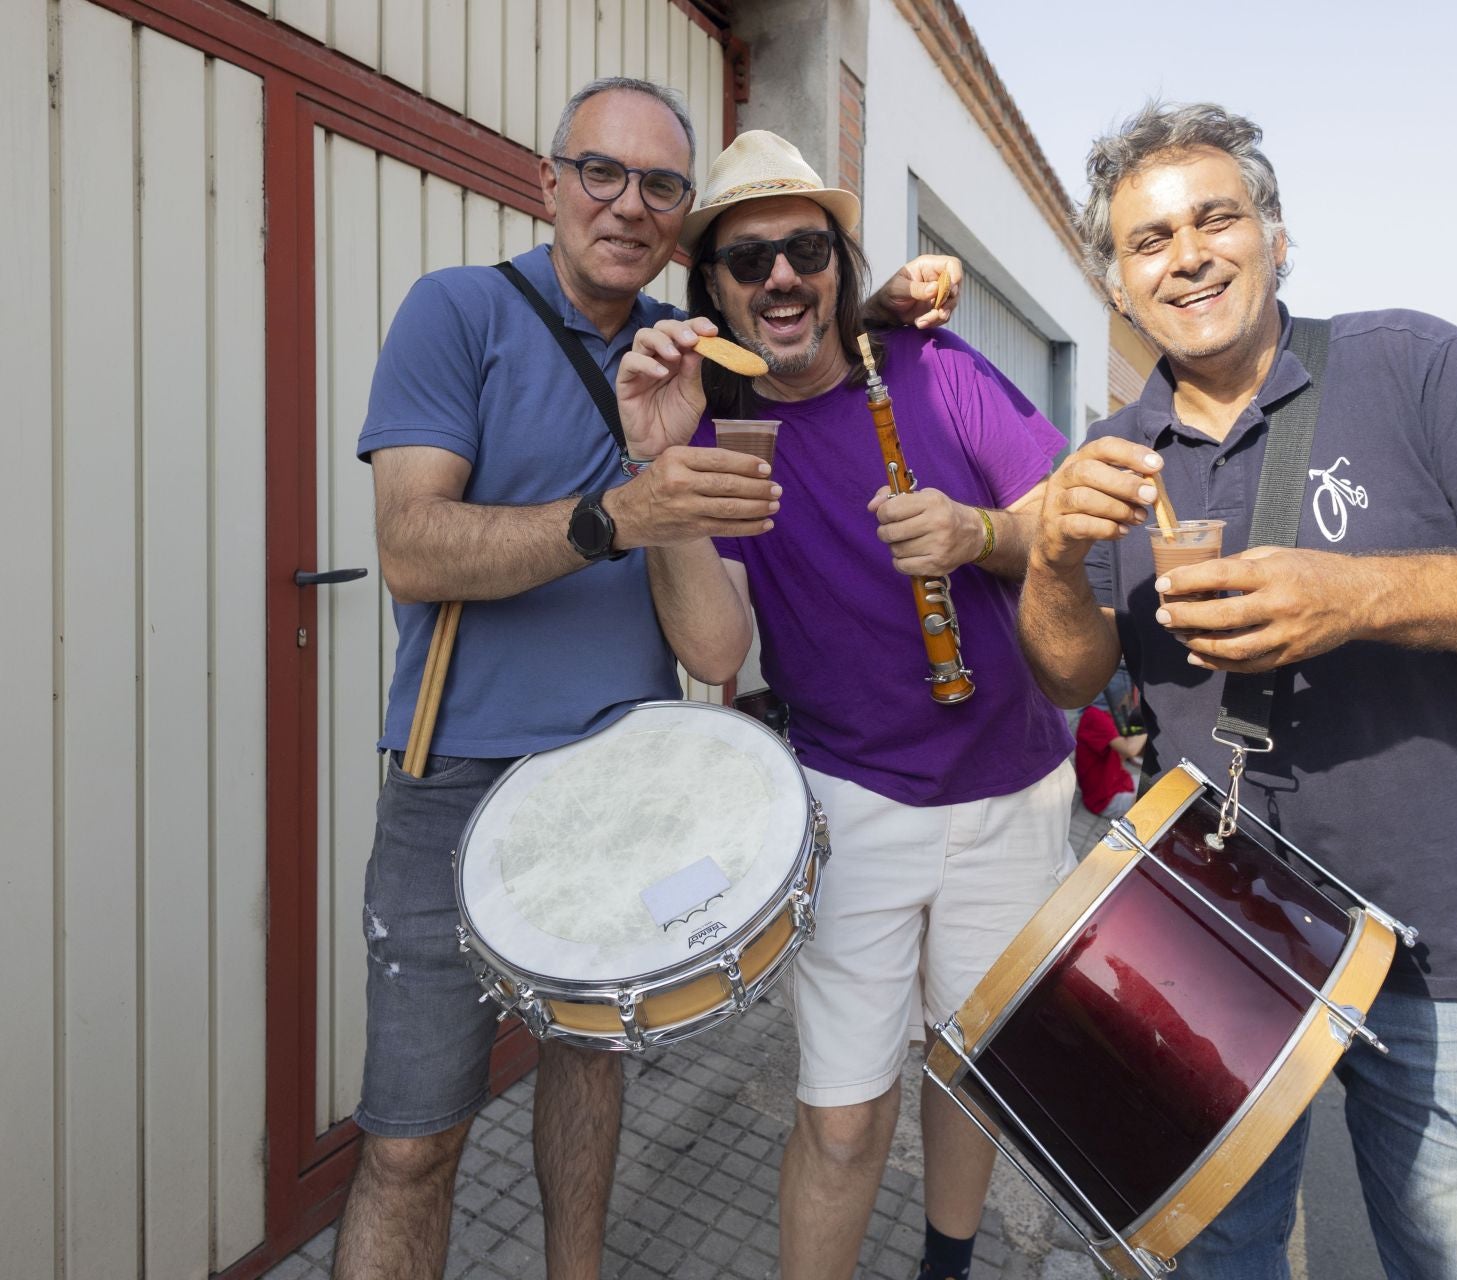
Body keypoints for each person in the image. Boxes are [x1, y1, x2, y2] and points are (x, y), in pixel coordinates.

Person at [337, 79, 961, 1280]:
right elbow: (412, 548)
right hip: (454, 772)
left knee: (589, 1078)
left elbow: (803, 345)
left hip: (627, 779)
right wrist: (619, 511)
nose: (628, 204)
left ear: (682, 224)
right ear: (549, 182)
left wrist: (884, 305)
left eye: (661, 185)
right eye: (601, 172)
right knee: (411, 1143)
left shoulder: (701, 356)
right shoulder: (458, 311)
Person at [1018, 102, 1457, 1279]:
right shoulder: (1115, 451)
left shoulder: (1413, 367)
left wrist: (1356, 596)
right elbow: (1069, 671)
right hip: (1215, 938)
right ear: (1117, 285)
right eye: (1150, 240)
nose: (1187, 255)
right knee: (1220, 1257)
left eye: (1216, 219)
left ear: (1276, 236)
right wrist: (1053, 554)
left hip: (1442, 949)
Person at [612, 129, 1075, 1280]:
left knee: (973, 1069)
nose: (781, 275)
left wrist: (979, 532)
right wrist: (661, 476)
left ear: (838, 266)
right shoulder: (718, 435)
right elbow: (715, 646)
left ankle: (947, 1267)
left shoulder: (935, 367)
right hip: (851, 799)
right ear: (715, 291)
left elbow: (1063, 520)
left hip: (1013, 788)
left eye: (806, 250)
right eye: (748, 258)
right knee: (841, 1116)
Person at [1074, 667, 1146, 819]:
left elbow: (1128, 753)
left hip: (1119, 781)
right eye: (1126, 694)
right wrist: (1151, 722)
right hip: (1104, 799)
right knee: (1155, 803)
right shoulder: (1095, 717)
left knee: (1157, 785)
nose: (1128, 698)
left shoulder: (1107, 714)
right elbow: (1130, 750)